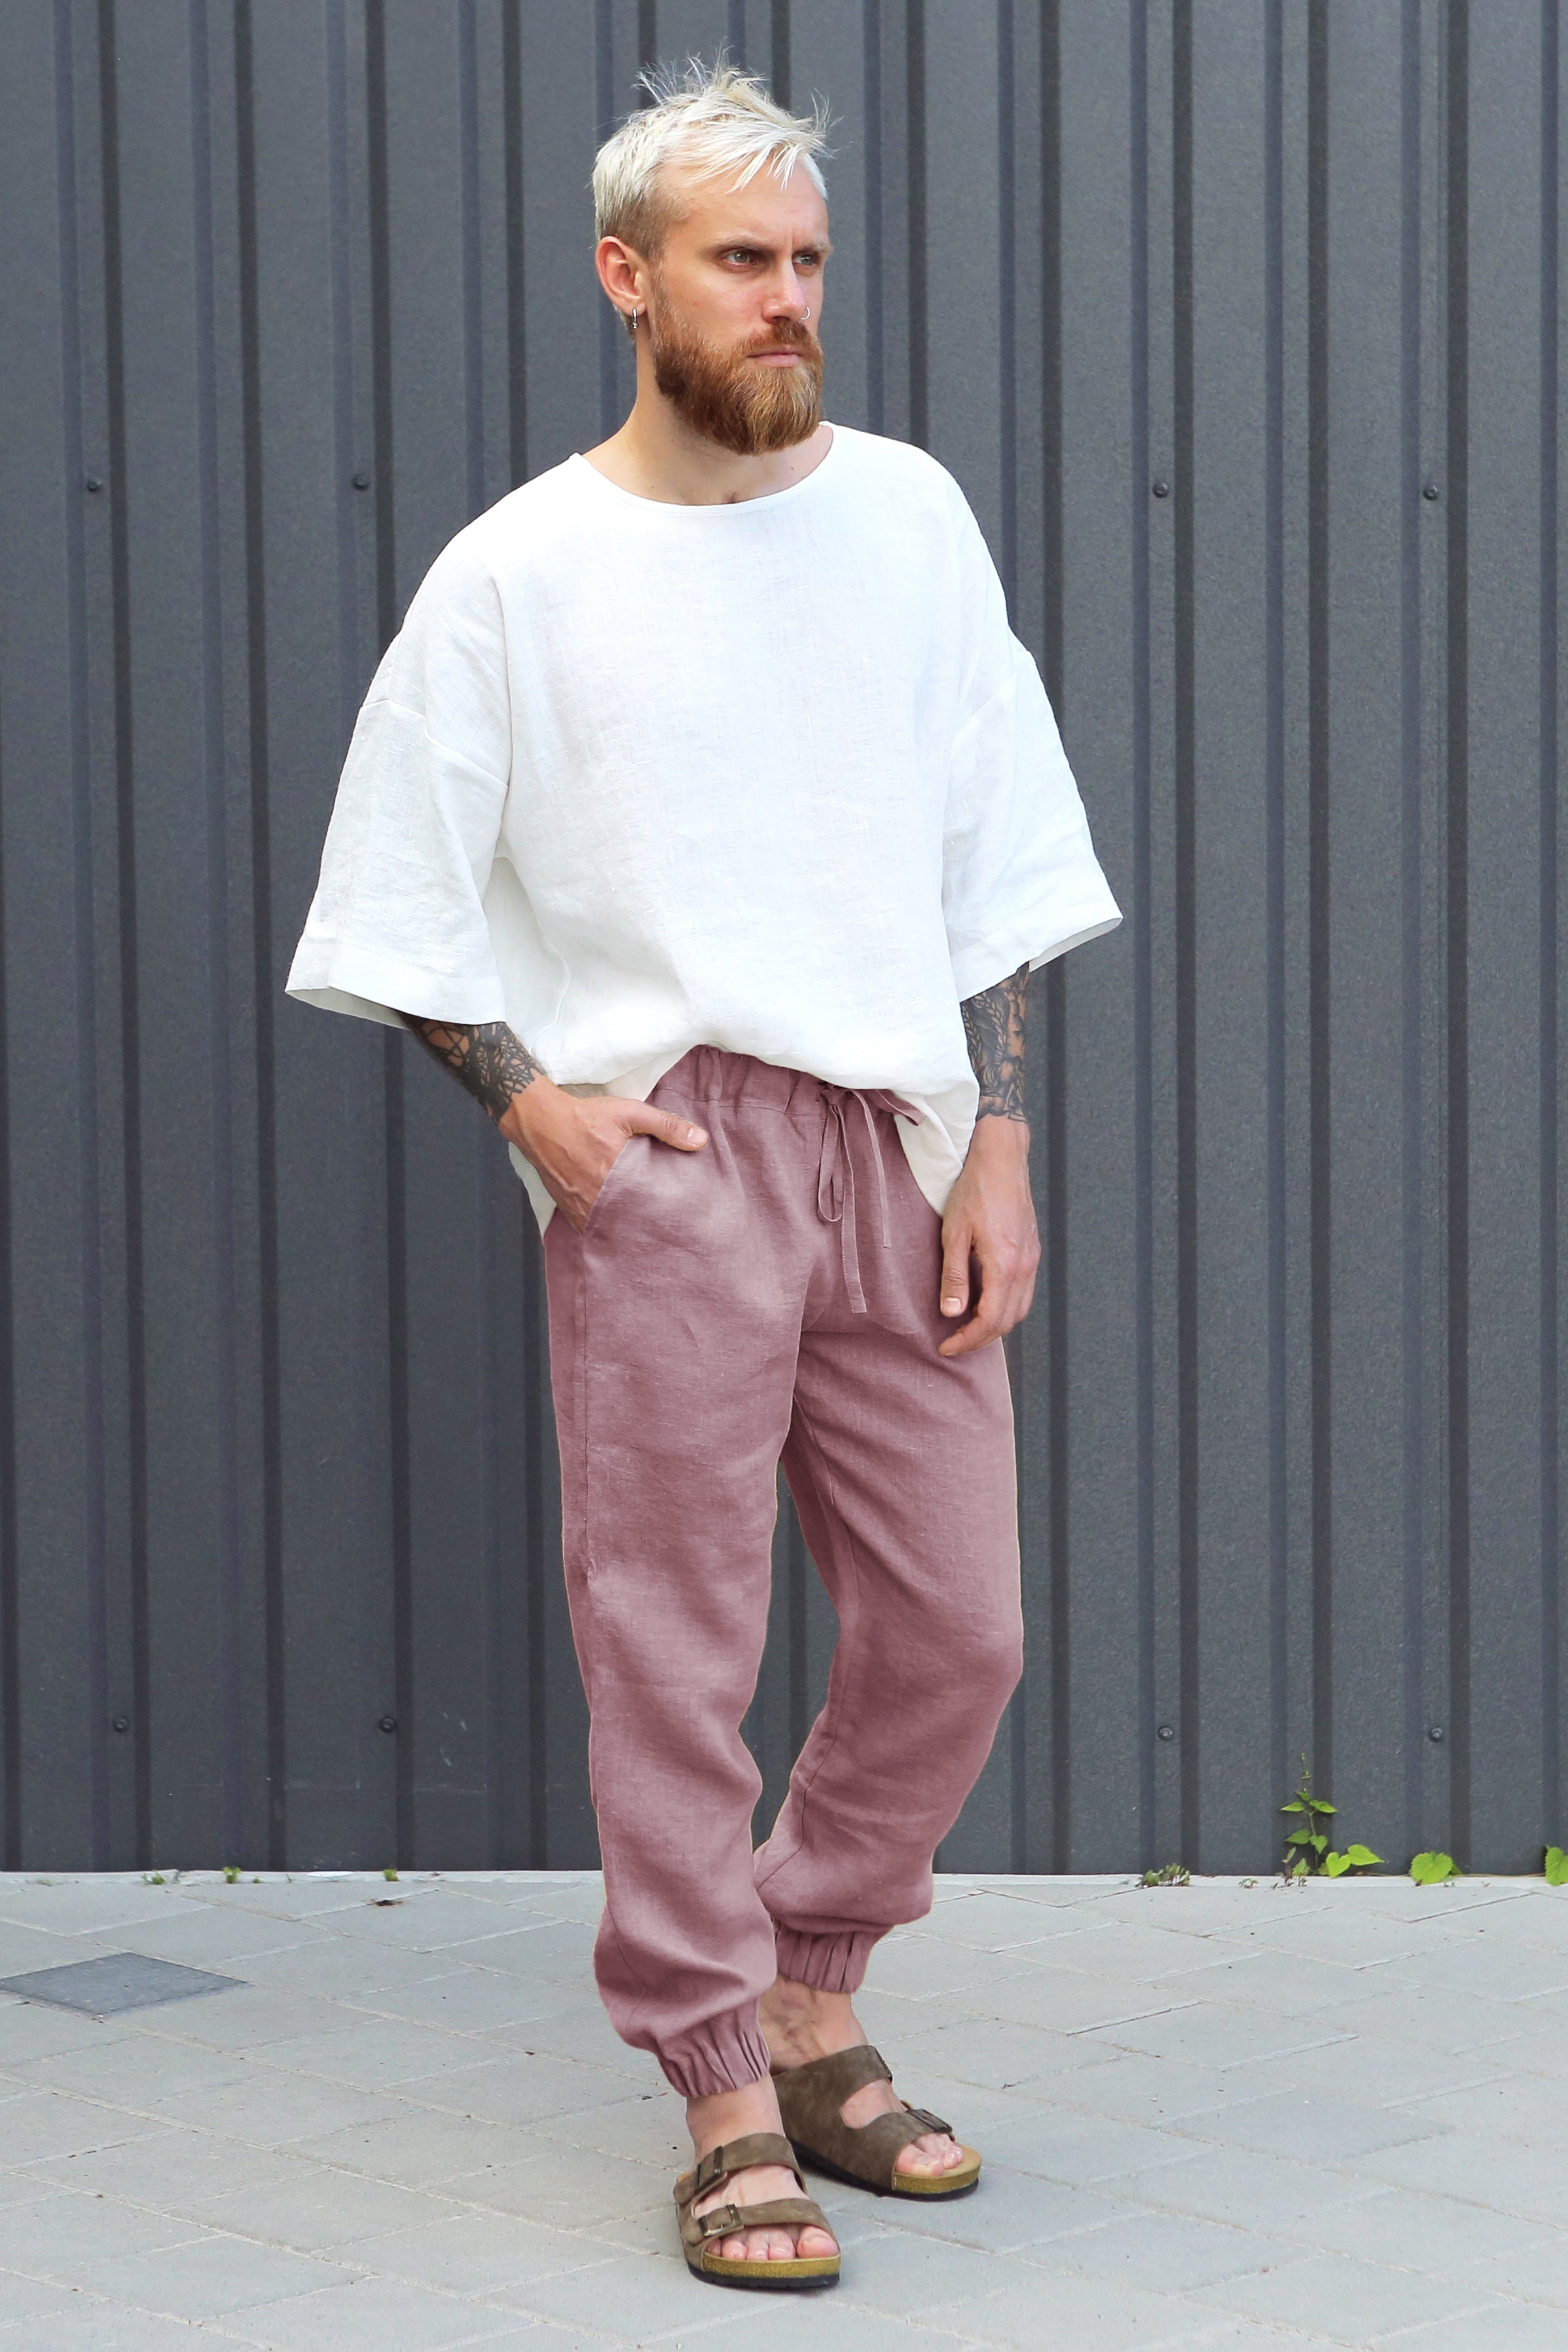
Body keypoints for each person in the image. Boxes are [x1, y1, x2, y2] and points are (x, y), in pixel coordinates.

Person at [287, 60, 1120, 2293]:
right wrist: (526, 1099)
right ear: (624, 275)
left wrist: (1000, 1134)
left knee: (958, 1626)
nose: (787, 303)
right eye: (743, 262)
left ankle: (813, 1974)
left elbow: (997, 862)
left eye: (809, 261)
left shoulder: (912, 519)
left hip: (893, 1132)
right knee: (673, 1651)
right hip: (670, 1152)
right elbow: (392, 886)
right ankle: (726, 2082)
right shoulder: (520, 573)